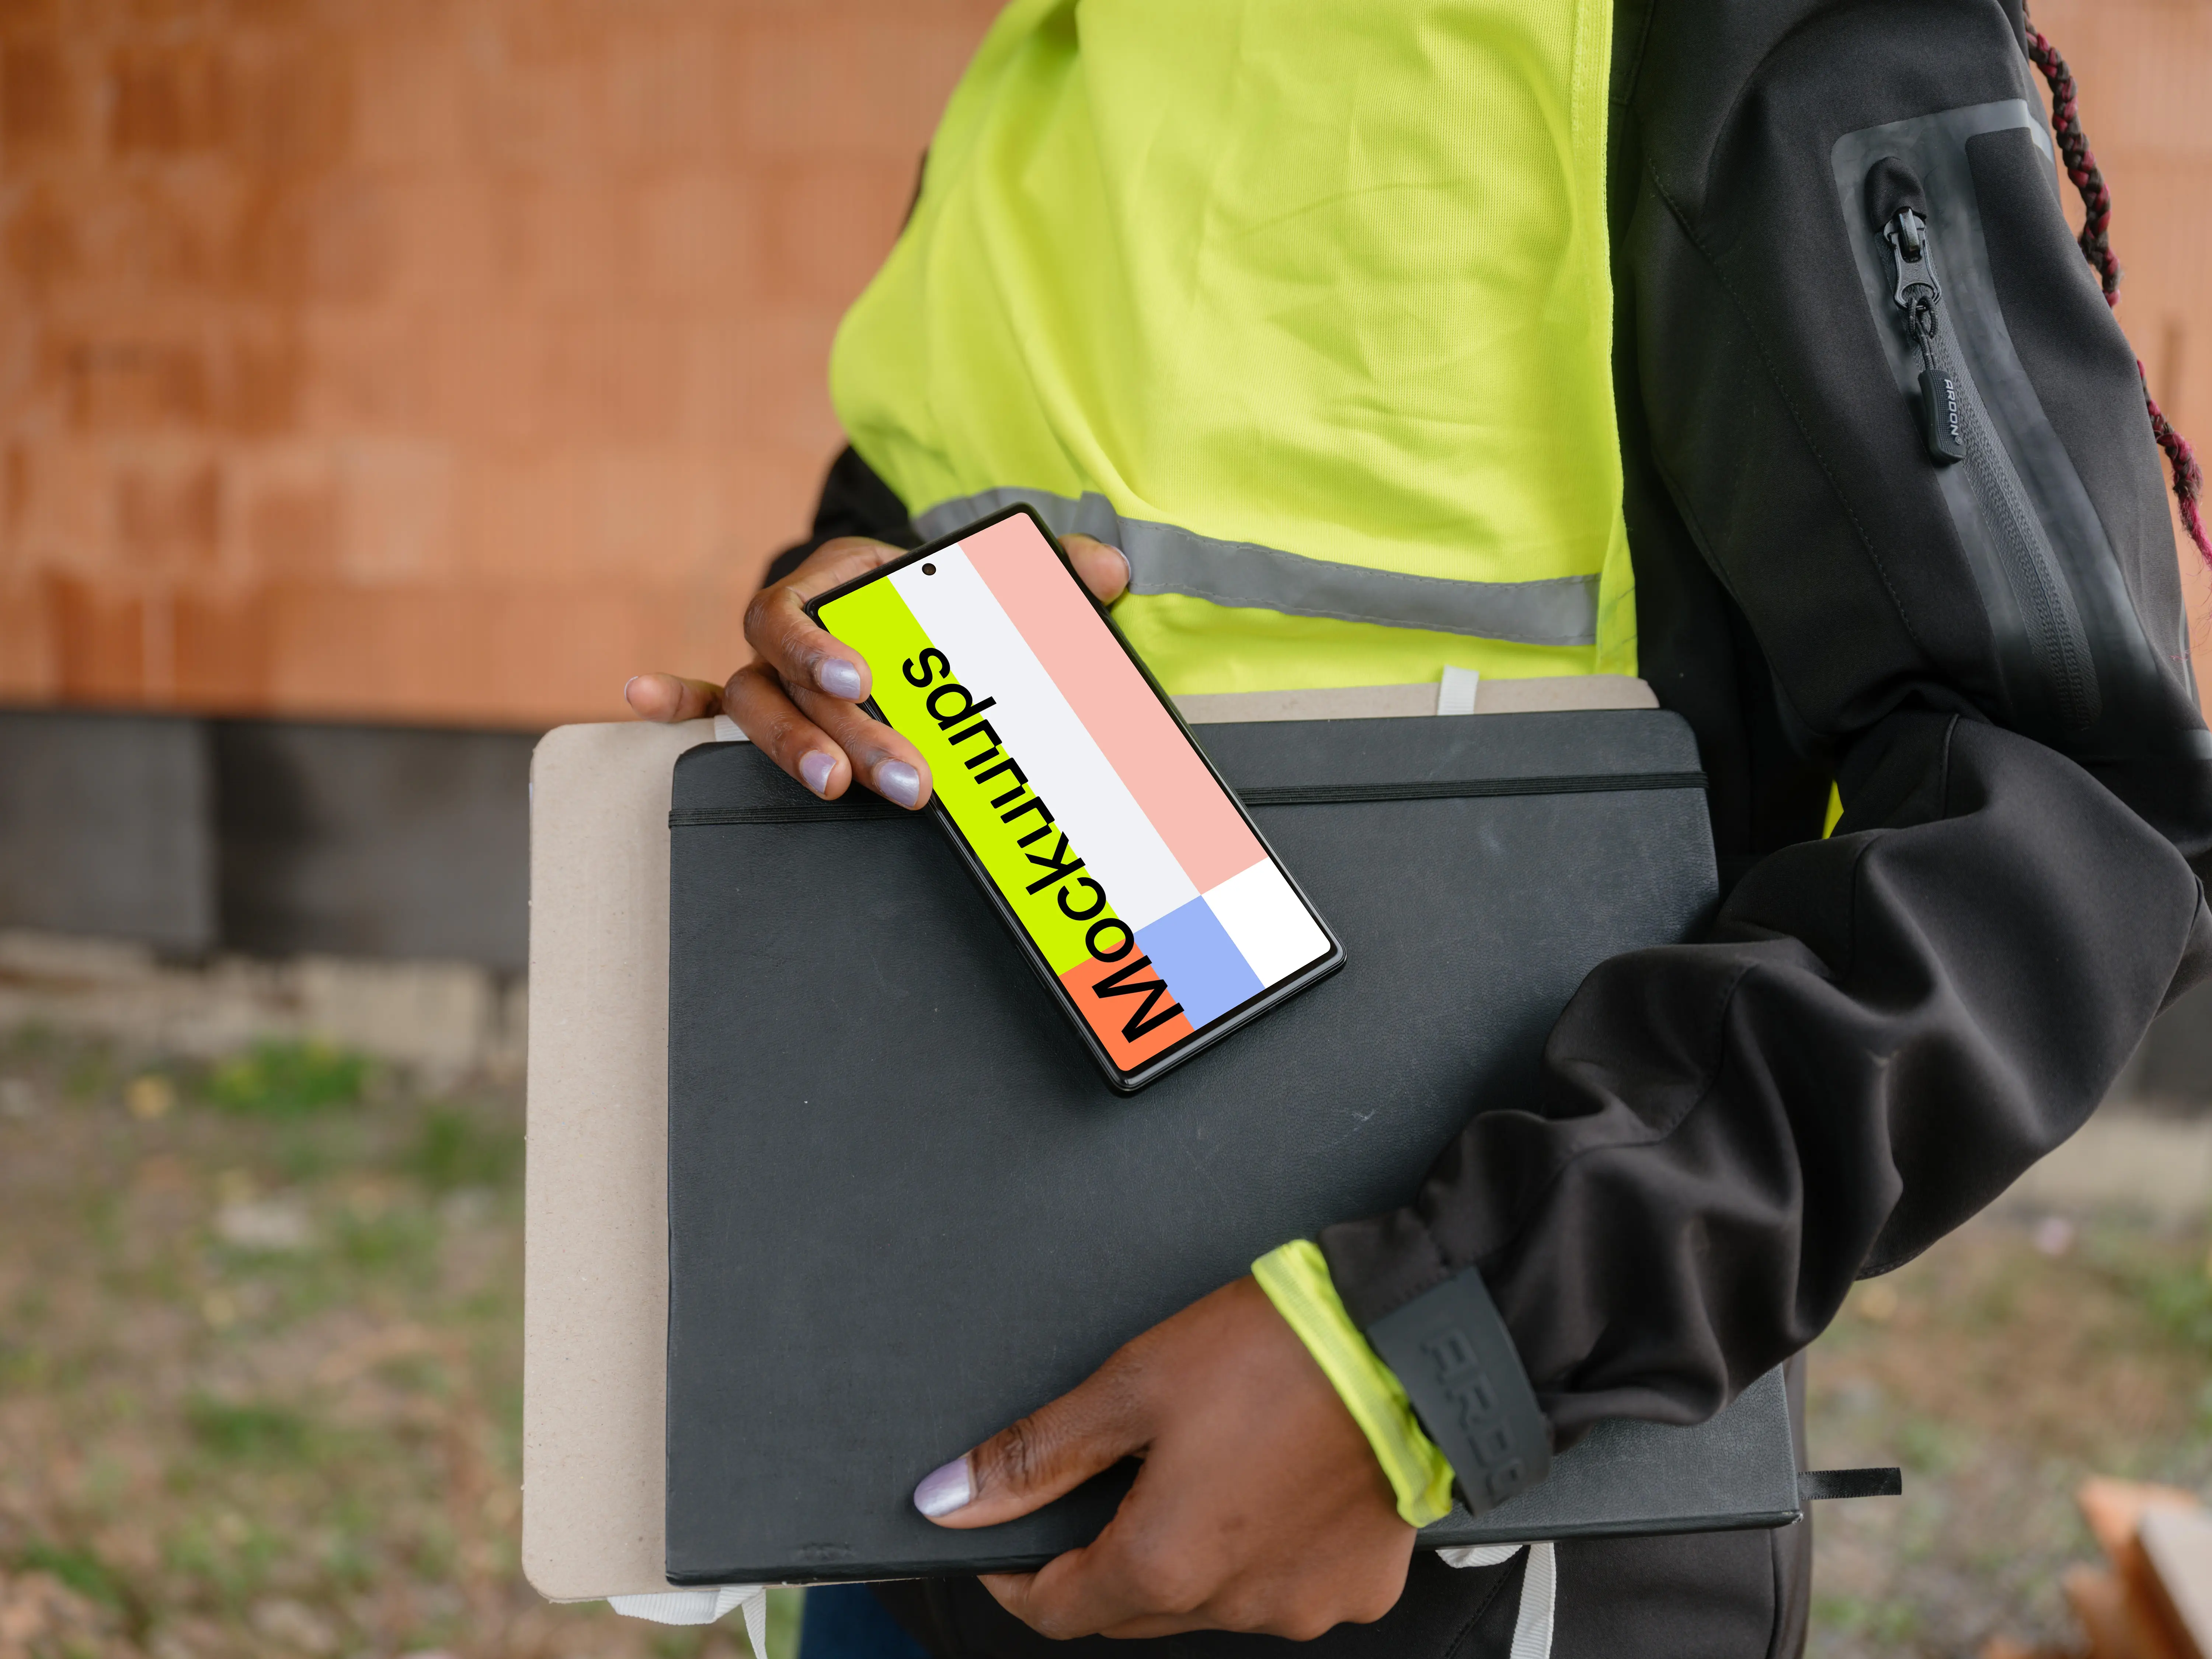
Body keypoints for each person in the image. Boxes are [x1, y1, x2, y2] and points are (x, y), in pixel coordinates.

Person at [627, 0, 2212, 1652]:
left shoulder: (1743, 32)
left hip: (1458, 1524)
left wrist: (1436, 1360)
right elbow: (912, 516)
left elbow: (2070, 813)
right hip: (943, 1463)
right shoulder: (1050, 54)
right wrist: (852, 645)